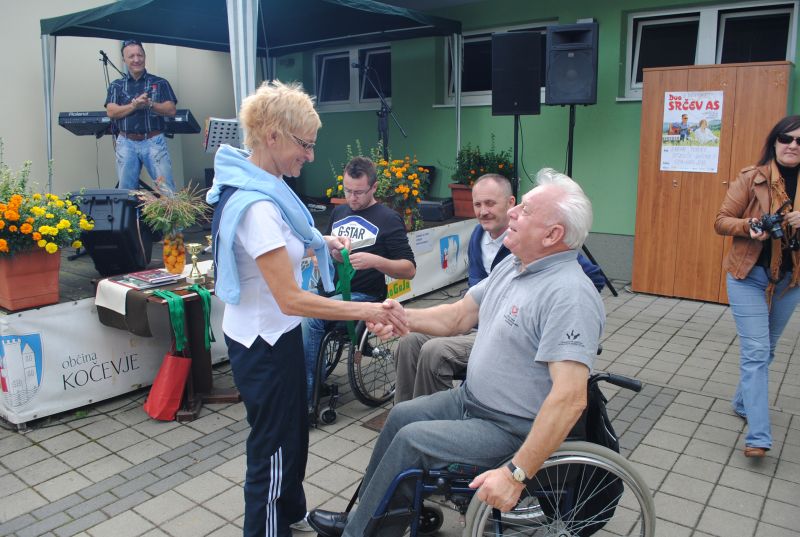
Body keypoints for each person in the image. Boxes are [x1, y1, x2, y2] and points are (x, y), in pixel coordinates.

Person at [308, 168, 605, 537]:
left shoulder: (569, 295)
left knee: (412, 441)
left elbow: (570, 398)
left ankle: (362, 531)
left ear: (553, 234)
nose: (512, 212)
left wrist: (515, 474)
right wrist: (400, 318)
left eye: (525, 210)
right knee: (401, 416)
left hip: (510, 427)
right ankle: (369, 517)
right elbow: (459, 315)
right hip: (471, 401)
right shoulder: (515, 266)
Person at [207, 80, 406, 537]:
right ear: (273, 135)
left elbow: (292, 237)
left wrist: (323, 242)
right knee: (273, 447)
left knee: (293, 432)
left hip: (277, 335)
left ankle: (289, 513)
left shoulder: (266, 182)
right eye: (306, 144)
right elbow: (290, 298)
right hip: (263, 343)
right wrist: (366, 311)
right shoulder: (256, 207)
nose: (311, 156)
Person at [394, 173, 606, 403]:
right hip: (475, 319)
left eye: (490, 203)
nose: (483, 211)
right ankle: (406, 407)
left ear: (510, 203)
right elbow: (466, 303)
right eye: (477, 204)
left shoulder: (532, 246)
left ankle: (439, 413)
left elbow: (585, 274)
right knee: (408, 341)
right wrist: (394, 315)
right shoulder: (479, 237)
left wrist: (550, 309)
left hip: (503, 328)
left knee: (434, 351)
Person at [715, 115, 800, 458]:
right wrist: (748, 225)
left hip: (790, 281)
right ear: (774, 142)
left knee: (767, 350)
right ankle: (759, 436)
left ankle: (742, 401)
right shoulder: (752, 177)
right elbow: (721, 220)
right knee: (756, 351)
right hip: (748, 276)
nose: (793, 145)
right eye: (786, 138)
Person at [302, 156, 416, 405]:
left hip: (364, 296)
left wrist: (375, 261)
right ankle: (303, 378)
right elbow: (327, 249)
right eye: (347, 190)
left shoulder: (388, 218)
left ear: (374, 187)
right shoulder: (339, 211)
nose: (352, 198)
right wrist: (332, 255)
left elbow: (409, 269)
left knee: (311, 317)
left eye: (359, 192)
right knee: (292, 307)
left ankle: (307, 395)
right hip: (331, 289)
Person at [105, 39, 178, 192]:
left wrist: (150, 104)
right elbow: (111, 112)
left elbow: (171, 110)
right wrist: (134, 106)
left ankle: (169, 210)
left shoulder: (160, 82)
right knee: (126, 193)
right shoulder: (116, 85)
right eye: (131, 56)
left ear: (145, 57)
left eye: (139, 55)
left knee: (167, 191)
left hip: (154, 141)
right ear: (124, 60)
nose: (136, 59)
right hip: (126, 142)